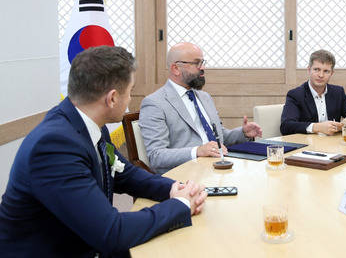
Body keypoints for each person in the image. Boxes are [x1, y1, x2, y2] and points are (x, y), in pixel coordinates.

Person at [0, 46, 207, 258]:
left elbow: (125, 174)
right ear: (113, 98)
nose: (129, 101)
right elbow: (112, 232)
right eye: (130, 91)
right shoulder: (54, 146)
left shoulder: (86, 122)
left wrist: (174, 188)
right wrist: (180, 205)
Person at [139, 42, 262, 174]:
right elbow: (156, 156)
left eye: (202, 62)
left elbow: (219, 138)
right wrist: (197, 151)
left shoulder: (204, 97)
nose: (202, 67)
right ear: (175, 68)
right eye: (196, 63)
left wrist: (242, 133)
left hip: (218, 167)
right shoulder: (155, 103)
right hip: (186, 175)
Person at [280, 49, 346, 135]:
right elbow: (286, 126)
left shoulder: (338, 92)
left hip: (334, 145)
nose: (321, 75)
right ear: (309, 70)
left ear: (332, 73)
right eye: (317, 70)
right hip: (308, 148)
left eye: (326, 71)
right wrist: (316, 127)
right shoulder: (296, 95)